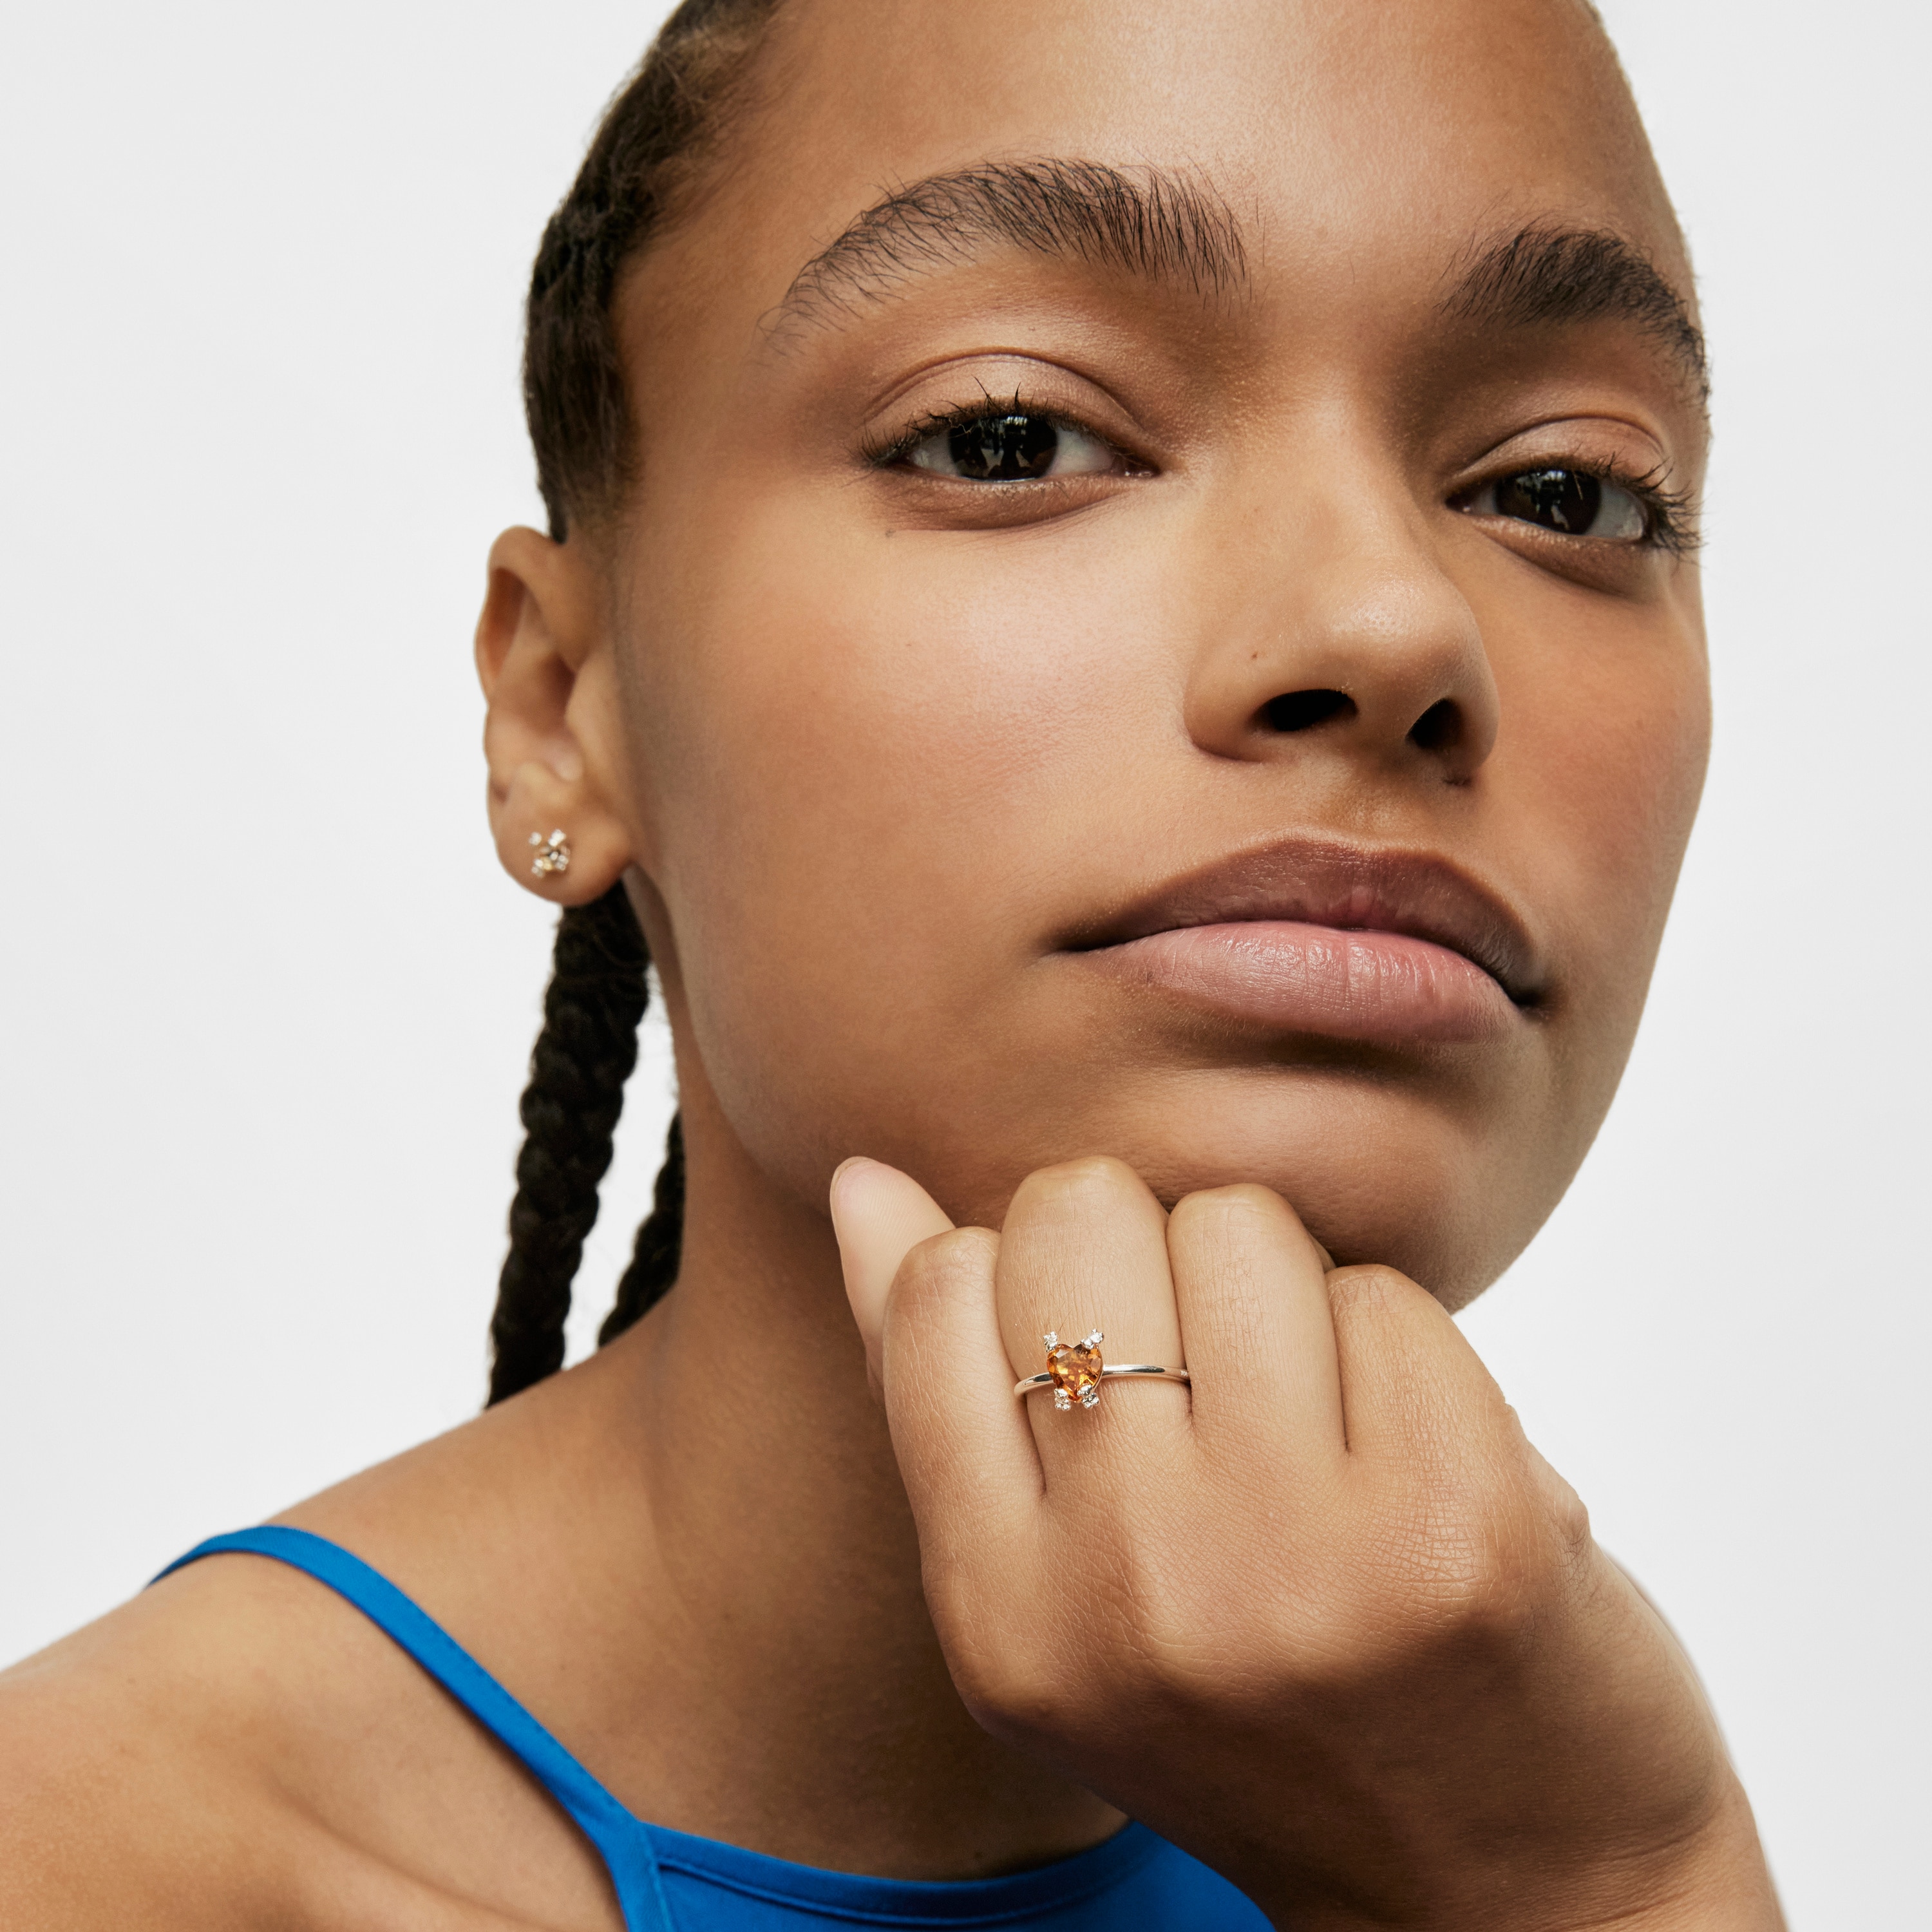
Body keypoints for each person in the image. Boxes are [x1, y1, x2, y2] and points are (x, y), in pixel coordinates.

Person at [0, 0, 1785, 1925]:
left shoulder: (1533, 1785)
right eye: (1013, 436)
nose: (1392, 624)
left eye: (1566, 490)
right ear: (560, 707)